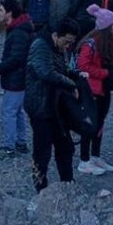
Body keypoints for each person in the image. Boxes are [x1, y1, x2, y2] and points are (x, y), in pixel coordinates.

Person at [25, 18, 81, 192]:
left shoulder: (58, 47)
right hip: (41, 107)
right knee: (42, 152)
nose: (68, 46)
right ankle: (41, 190)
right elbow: (47, 73)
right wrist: (71, 84)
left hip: (57, 107)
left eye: (71, 43)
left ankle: (67, 185)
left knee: (65, 147)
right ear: (56, 35)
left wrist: (77, 75)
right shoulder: (40, 45)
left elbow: (62, 69)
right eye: (66, 42)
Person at [75, 6, 113, 176]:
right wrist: (105, 74)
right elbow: (83, 66)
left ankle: (95, 156)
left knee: (100, 122)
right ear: (106, 27)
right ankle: (84, 160)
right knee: (90, 123)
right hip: (92, 89)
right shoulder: (92, 44)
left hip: (105, 88)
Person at [0, 0, 33, 157]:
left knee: (9, 111)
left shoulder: (18, 32)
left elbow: (16, 59)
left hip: (16, 79)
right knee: (17, 111)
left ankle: (9, 146)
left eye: (1, 10)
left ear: (9, 12)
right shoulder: (18, 28)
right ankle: (20, 142)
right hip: (20, 78)